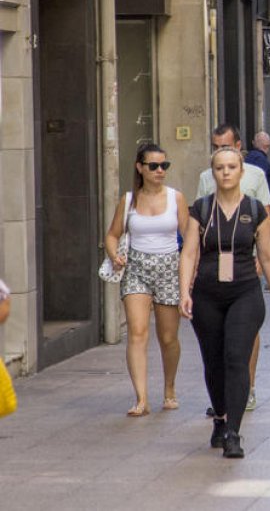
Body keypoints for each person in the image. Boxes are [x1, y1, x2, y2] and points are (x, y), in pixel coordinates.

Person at [179, 147, 270, 459]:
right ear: (213, 173)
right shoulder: (200, 209)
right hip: (207, 294)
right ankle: (221, 417)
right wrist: (184, 291)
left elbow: (267, 255)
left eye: (231, 167)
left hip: (245, 292)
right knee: (213, 361)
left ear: (242, 172)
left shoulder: (255, 209)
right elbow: (188, 253)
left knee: (237, 358)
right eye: (220, 168)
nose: (226, 173)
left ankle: (234, 432)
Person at [104, 143, 186, 417]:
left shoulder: (176, 198)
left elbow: (189, 238)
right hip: (136, 269)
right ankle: (141, 398)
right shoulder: (129, 200)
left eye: (165, 165)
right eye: (154, 166)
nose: (160, 171)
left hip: (169, 269)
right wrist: (115, 255)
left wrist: (190, 274)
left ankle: (170, 389)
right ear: (140, 167)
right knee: (137, 333)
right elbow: (112, 234)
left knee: (168, 337)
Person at [198, 125, 270, 412]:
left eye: (226, 146)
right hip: (213, 267)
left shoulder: (256, 175)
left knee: (245, 331)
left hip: (245, 262)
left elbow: (265, 215)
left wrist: (260, 257)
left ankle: (247, 387)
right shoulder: (206, 177)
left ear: (239, 147)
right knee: (218, 338)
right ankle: (221, 397)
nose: (221, 153)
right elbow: (199, 222)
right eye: (216, 147)